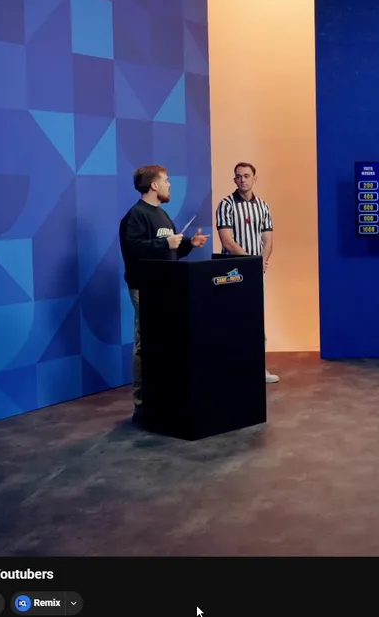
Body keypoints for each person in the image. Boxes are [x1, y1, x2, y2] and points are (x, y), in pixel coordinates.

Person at [119, 165, 209, 424]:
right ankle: (141, 404)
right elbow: (133, 250)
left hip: (167, 287)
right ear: (154, 185)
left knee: (165, 343)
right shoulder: (135, 216)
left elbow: (171, 250)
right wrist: (164, 243)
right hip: (144, 288)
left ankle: (164, 397)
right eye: (166, 180)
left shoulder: (163, 215)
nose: (170, 185)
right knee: (144, 343)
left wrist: (189, 244)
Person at [215, 162, 278, 383]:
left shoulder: (263, 206)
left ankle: (259, 368)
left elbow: (268, 240)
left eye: (247, 176)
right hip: (233, 271)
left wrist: (261, 262)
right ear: (234, 180)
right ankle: (232, 370)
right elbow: (227, 241)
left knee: (256, 318)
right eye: (239, 176)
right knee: (233, 319)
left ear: (254, 178)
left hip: (256, 271)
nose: (243, 180)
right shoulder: (226, 204)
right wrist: (250, 262)